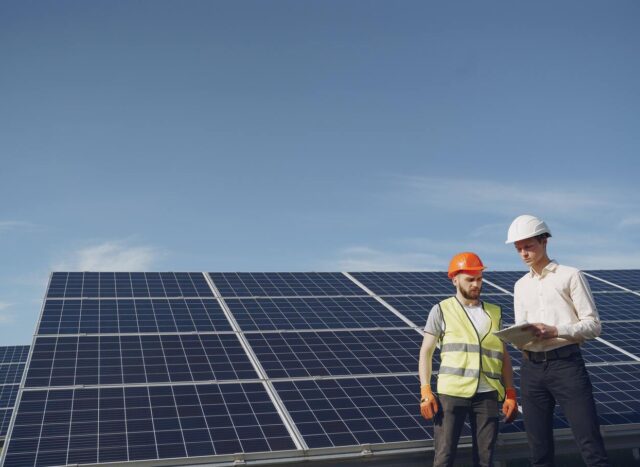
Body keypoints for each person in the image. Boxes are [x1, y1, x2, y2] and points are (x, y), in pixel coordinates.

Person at [506, 214, 610, 467]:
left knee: (589, 442)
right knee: (538, 449)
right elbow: (522, 328)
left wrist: (555, 331)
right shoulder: (520, 286)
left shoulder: (570, 276)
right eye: (519, 249)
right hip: (531, 370)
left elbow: (594, 325)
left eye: (528, 246)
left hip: (566, 366)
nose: (524, 253)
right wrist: (518, 338)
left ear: (544, 242)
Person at [418, 252, 518, 467]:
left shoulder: (494, 312)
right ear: (455, 279)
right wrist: (425, 390)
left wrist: (510, 391)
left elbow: (503, 355)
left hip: (488, 394)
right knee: (444, 457)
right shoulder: (441, 310)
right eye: (470, 279)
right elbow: (426, 351)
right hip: (451, 393)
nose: (476, 284)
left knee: (485, 458)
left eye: (479, 279)